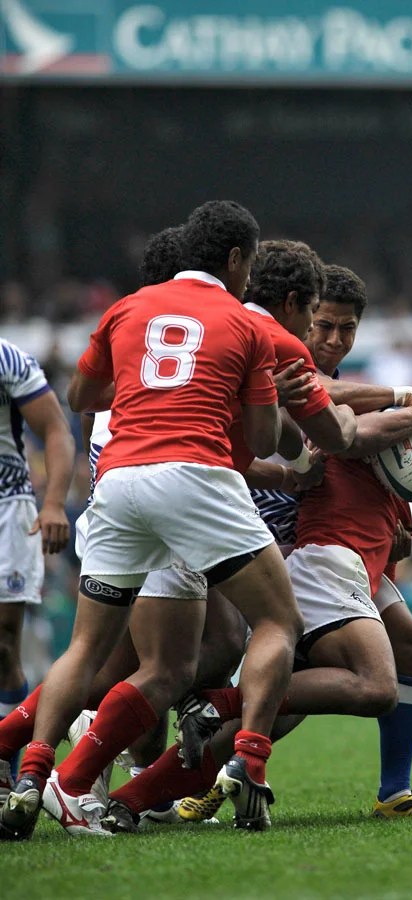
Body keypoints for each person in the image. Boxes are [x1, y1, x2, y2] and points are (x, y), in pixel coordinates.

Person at [0, 199, 305, 842]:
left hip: (117, 483)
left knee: (91, 650)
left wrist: (145, 391)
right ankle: (247, 755)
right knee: (273, 622)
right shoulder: (243, 323)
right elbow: (261, 434)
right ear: (234, 260)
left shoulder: (125, 311)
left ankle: (33, 772)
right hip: (191, 478)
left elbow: (81, 399)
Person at [99, 422, 412, 832]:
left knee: (406, 646)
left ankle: (130, 801)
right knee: (377, 687)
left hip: (336, 583)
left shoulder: (398, 514)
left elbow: (380, 613)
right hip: (322, 569)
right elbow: (340, 415)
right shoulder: (364, 442)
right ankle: (217, 705)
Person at [0, 339, 75, 801]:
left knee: (4, 642)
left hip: (7, 508)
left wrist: (52, 504)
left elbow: (56, 430)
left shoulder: (8, 358)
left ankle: (4, 767)